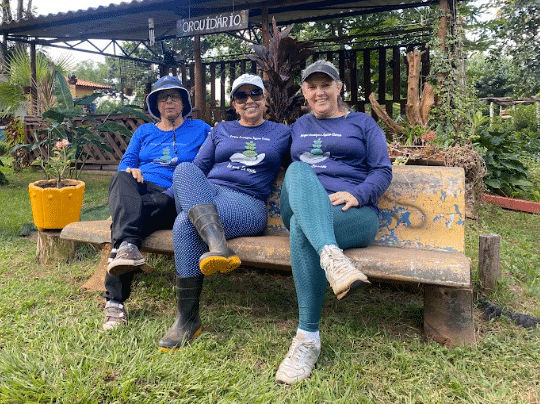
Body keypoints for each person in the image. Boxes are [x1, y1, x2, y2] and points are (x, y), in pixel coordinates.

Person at [274, 60, 392, 384]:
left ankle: (307, 339)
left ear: (339, 87)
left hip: (351, 213)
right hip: (301, 201)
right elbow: (270, 157)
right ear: (304, 92)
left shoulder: (364, 124)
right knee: (298, 170)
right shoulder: (297, 126)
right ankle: (332, 256)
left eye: (325, 84)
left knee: (302, 227)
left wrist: (358, 193)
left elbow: (383, 170)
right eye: (311, 86)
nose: (319, 92)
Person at [157, 73, 291, 351]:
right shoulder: (221, 130)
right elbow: (197, 168)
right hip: (208, 193)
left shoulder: (281, 133)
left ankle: (187, 320)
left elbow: (305, 166)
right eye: (241, 95)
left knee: (184, 223)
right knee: (184, 168)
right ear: (234, 103)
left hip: (247, 203)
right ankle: (218, 246)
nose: (249, 100)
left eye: (255, 93)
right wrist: (157, 203)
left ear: (266, 98)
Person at [103, 75, 210, 331]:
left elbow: (207, 166)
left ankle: (114, 301)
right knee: (120, 178)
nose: (169, 101)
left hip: (174, 195)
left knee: (125, 222)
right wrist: (132, 170)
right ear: (156, 105)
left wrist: (172, 191)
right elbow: (126, 162)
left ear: (184, 102)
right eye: (163, 97)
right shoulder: (144, 132)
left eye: (174, 96)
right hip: (141, 190)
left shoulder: (202, 129)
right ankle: (128, 245)